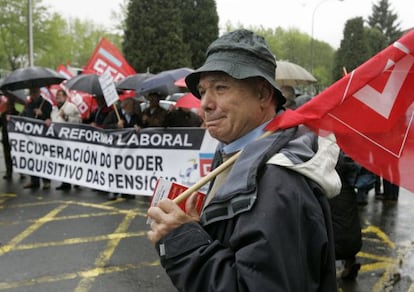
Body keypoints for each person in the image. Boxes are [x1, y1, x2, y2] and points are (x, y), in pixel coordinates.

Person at [147, 29, 339, 291]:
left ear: (262, 94)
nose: (204, 104)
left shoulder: (278, 182)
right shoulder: (236, 151)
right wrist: (196, 229)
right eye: (202, 91)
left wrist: (182, 243)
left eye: (221, 88)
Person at [102, 97, 143, 200]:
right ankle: (114, 191)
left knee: (127, 170)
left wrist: (139, 129)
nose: (133, 107)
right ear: (125, 106)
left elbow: (142, 127)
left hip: (130, 150)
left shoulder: (135, 116)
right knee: (115, 169)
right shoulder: (114, 114)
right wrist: (116, 125)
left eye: (134, 105)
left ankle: (126, 191)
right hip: (116, 148)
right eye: (131, 105)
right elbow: (105, 127)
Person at [45, 89, 82, 190]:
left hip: (69, 140)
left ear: (65, 97)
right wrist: (49, 121)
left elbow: (79, 121)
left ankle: (76, 180)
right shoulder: (54, 109)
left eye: (60, 96)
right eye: (57, 96)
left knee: (72, 161)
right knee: (62, 161)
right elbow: (53, 122)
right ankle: (65, 183)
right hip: (58, 140)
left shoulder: (71, 107)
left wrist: (66, 117)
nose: (58, 97)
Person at [22, 87, 52, 189]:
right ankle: (34, 180)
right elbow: (23, 116)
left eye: (34, 92)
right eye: (31, 92)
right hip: (31, 136)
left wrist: (42, 114)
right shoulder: (29, 105)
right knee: (32, 157)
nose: (32, 94)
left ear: (39, 92)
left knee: (43, 157)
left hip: (43, 136)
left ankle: (46, 181)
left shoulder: (46, 104)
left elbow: (50, 119)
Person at [0, 97, 19, 180]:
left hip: (15, 139)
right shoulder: (3, 114)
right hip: (5, 138)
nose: (8, 106)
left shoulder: (17, 114)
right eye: (7, 104)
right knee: (7, 156)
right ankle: (9, 172)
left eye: (10, 104)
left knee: (17, 156)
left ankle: (21, 172)